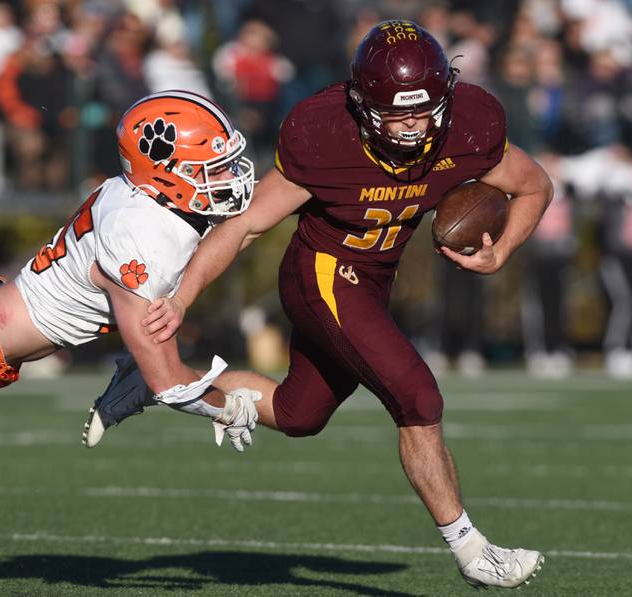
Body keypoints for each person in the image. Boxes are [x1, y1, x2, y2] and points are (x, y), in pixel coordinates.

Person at [87, 21, 553, 589]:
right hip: (323, 275)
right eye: (396, 113)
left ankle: (159, 381)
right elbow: (245, 225)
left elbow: (534, 186)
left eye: (423, 110)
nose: (412, 127)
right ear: (361, 104)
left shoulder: (469, 126)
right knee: (418, 396)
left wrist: (502, 249)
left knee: (297, 414)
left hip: (376, 279)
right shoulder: (325, 134)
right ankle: (473, 549)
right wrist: (181, 297)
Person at [0, 90, 261, 449]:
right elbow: (170, 382)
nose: (228, 177)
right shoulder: (140, 232)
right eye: (214, 167)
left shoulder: (143, 200)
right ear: (166, 170)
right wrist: (230, 407)